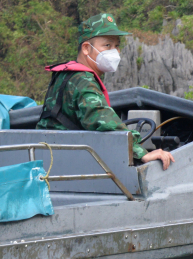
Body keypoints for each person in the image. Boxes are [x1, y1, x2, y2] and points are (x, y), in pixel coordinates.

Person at [37, 13, 175, 169]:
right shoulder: (82, 81)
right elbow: (104, 122)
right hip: (62, 161)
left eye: (116, 46)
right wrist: (141, 152)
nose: (114, 52)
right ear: (87, 49)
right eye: (107, 46)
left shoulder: (69, 75)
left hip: (53, 154)